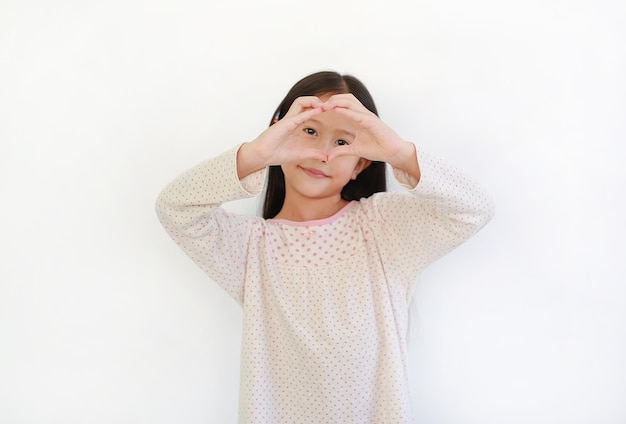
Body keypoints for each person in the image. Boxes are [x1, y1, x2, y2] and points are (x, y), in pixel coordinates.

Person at [155, 70, 494, 423]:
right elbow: (174, 208)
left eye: (343, 143)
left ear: (362, 163)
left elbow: (473, 209)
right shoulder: (249, 249)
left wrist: (397, 152)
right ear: (279, 131)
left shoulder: (383, 229)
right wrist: (256, 153)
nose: (322, 154)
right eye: (310, 132)